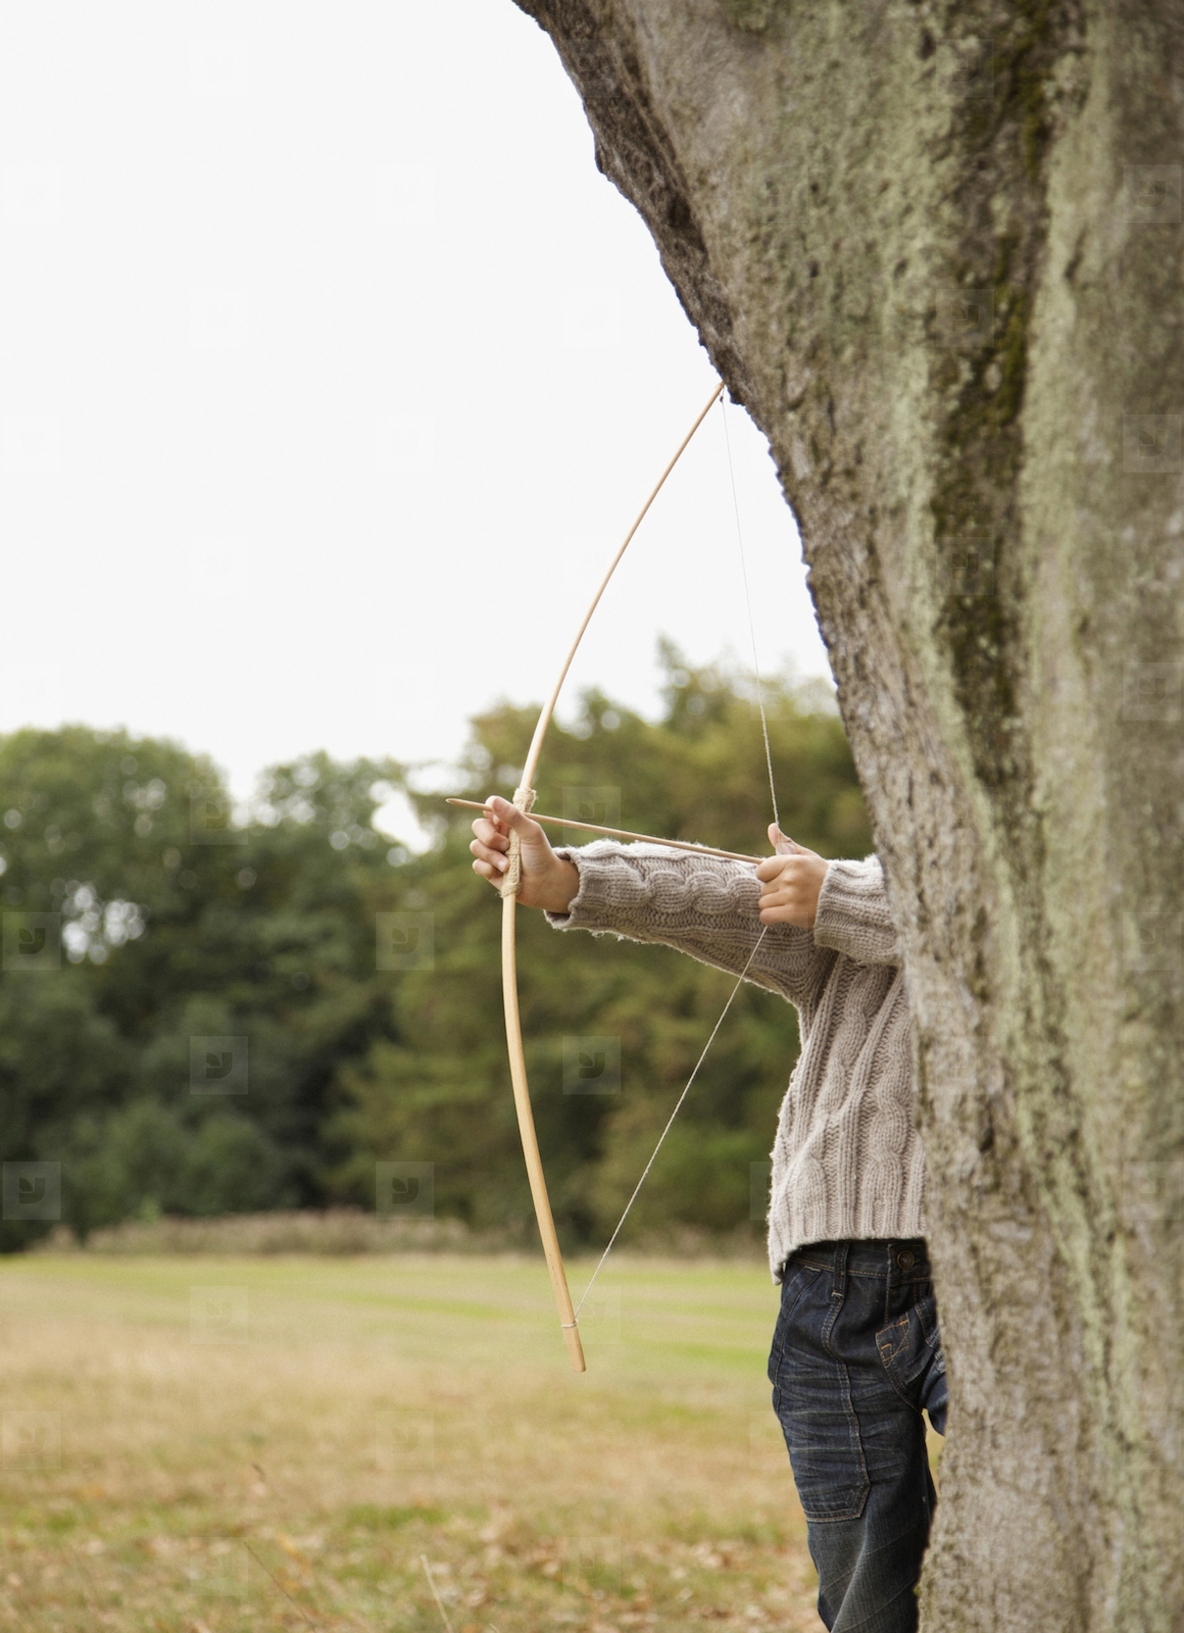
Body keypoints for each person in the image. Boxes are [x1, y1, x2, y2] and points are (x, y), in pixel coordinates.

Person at [470, 796, 948, 1633]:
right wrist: (565, 878)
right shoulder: (854, 907)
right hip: (824, 1301)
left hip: (976, 1279)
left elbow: (1005, 932)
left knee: (1057, 1489)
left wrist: (837, 895)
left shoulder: (915, 903)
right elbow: (719, 891)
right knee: (864, 1591)